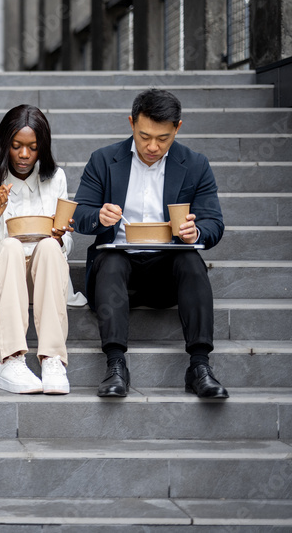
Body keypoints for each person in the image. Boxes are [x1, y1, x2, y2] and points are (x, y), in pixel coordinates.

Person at [74, 88, 228, 399]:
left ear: (178, 128)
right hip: (117, 268)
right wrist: (99, 217)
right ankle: (116, 364)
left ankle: (199, 366)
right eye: (145, 136)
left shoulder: (195, 164)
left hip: (166, 269)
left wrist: (194, 232)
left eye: (163, 138)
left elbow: (214, 223)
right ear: (131, 123)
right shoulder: (104, 160)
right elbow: (79, 215)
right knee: (112, 259)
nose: (153, 146)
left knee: (191, 260)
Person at [0, 105, 84, 395]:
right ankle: (11, 360)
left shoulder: (55, 178)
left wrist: (59, 237)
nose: (24, 155)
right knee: (10, 246)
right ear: (4, 143)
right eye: (16, 146)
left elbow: (64, 247)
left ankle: (53, 358)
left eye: (33, 147)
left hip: (39, 275)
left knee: (49, 246)